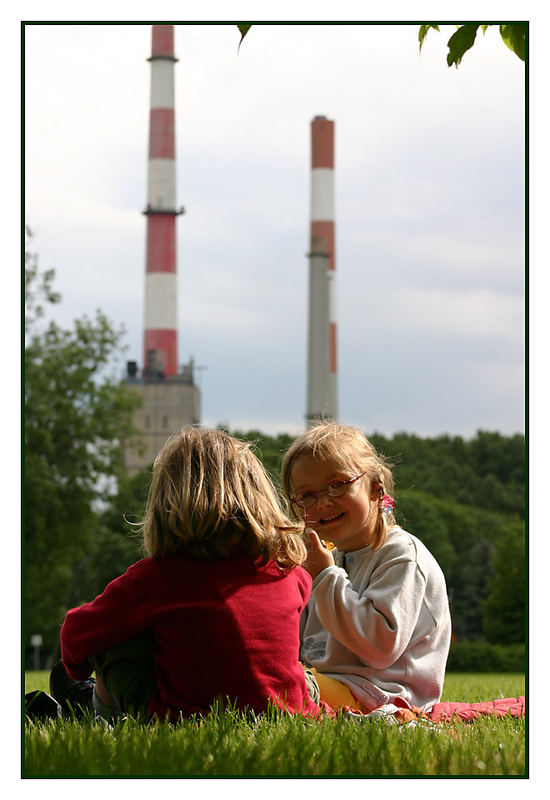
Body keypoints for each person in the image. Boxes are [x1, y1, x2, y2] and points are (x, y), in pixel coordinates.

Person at [54, 427, 321, 721]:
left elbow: (75, 634)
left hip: (185, 718)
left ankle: (99, 714)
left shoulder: (154, 579)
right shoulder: (290, 573)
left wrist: (76, 670)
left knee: (112, 638)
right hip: (289, 712)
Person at [281, 421, 452, 716]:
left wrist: (323, 577)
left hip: (383, 694)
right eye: (307, 495)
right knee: (258, 677)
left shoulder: (401, 555)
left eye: (337, 485)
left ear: (376, 489)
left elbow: (380, 646)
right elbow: (296, 641)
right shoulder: (328, 558)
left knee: (276, 689)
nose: (323, 502)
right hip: (332, 685)